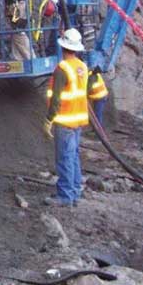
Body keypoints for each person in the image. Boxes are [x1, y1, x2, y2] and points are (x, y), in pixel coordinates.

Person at [43, 28, 88, 207]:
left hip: (65, 120)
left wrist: (48, 120)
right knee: (74, 155)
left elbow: (56, 98)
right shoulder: (82, 67)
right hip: (78, 119)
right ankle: (75, 190)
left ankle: (65, 196)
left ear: (63, 46)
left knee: (64, 158)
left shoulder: (62, 68)